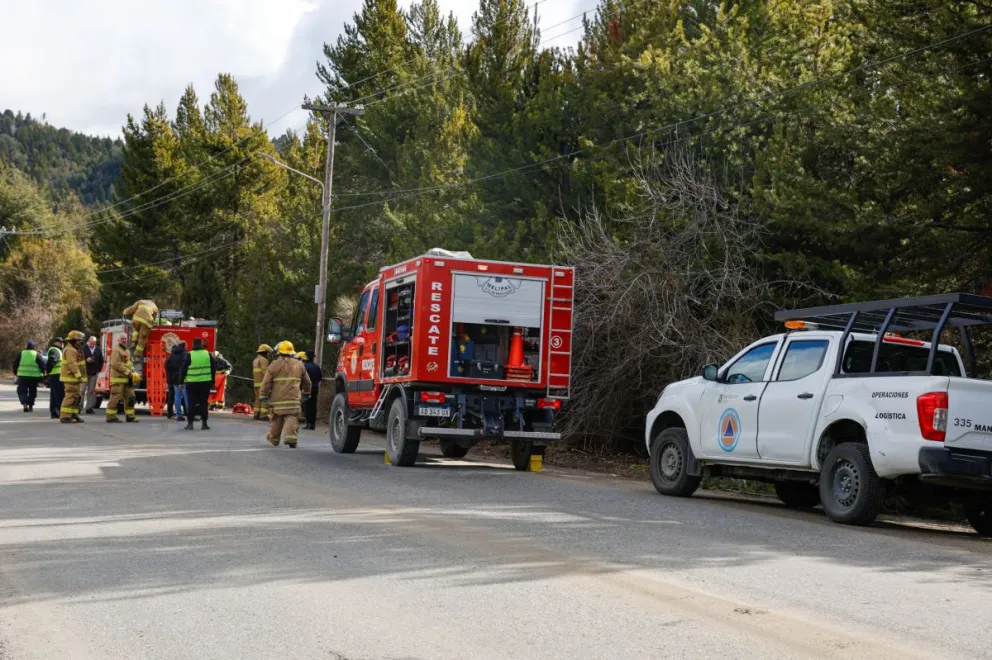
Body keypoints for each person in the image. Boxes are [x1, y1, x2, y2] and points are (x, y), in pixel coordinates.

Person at [260, 340, 311, 448]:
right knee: (292, 416)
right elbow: (307, 381)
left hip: (277, 399)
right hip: (293, 398)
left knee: (276, 418)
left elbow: (266, 382)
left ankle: (274, 438)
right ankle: (291, 437)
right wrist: (306, 392)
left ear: (279, 351)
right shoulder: (299, 364)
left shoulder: (274, 365)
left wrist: (263, 394)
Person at [182, 337, 215, 431]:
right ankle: (204, 423)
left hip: (191, 383)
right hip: (205, 383)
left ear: (193, 344)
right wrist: (213, 381)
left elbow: (184, 369)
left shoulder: (190, 355)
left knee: (191, 403)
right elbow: (213, 368)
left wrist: (181, 381)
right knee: (203, 403)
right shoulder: (207, 354)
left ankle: (190, 424)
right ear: (201, 344)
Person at [105, 335, 139, 423]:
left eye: (125, 339)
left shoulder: (126, 350)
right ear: (118, 340)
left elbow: (128, 364)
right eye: (122, 339)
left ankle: (130, 416)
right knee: (115, 398)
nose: (124, 340)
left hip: (127, 380)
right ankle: (110, 417)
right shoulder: (116, 350)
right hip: (118, 379)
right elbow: (116, 364)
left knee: (131, 397)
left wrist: (132, 372)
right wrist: (128, 372)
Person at [59, 331, 86, 423]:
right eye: (78, 340)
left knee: (76, 397)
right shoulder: (70, 350)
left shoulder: (75, 349)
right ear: (73, 340)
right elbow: (72, 364)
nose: (80, 342)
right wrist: (79, 376)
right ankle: (65, 416)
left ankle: (73, 415)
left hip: (74, 378)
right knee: (70, 397)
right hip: (70, 377)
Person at [13, 340, 45, 413]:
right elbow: (42, 365)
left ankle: (24, 403)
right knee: (32, 391)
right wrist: (43, 374)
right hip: (33, 377)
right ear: (34, 347)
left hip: (22, 376)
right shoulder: (36, 354)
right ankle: (30, 405)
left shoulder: (21, 353)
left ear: (26, 346)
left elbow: (15, 364)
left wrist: (15, 372)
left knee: (22, 390)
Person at [165, 342, 189, 421]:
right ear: (184, 346)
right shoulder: (185, 355)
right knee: (186, 396)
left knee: (177, 397)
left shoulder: (171, 356)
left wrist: (170, 376)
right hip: (183, 378)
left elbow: (166, 366)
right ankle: (189, 414)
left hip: (173, 379)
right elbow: (186, 367)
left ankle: (178, 415)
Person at [82, 335, 104, 414]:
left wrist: (99, 370)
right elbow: (78, 359)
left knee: (91, 391)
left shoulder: (98, 349)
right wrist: (86, 360)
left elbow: (101, 360)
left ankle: (89, 407)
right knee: (82, 390)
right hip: (84, 373)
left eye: (94, 343)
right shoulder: (83, 348)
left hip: (94, 373)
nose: (92, 345)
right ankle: (79, 407)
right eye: (91, 343)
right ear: (88, 341)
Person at [302, 350, 323, 431]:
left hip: (307, 389)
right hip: (315, 388)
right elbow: (320, 378)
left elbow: (303, 378)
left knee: (307, 405)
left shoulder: (305, 366)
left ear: (306, 356)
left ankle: (308, 424)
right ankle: (312, 424)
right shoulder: (317, 367)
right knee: (313, 406)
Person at [46, 338, 65, 419]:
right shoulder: (55, 350)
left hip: (57, 375)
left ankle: (56, 412)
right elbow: (52, 361)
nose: (62, 344)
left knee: (57, 394)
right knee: (57, 395)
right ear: (55, 342)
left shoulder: (58, 350)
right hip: (56, 375)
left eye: (62, 342)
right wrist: (48, 371)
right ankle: (55, 412)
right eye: (60, 342)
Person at [252, 344, 272, 420]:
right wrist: (269, 382)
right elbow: (265, 372)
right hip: (263, 383)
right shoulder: (263, 360)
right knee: (264, 398)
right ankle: (263, 415)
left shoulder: (255, 360)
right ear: (264, 352)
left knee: (257, 399)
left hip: (256, 383)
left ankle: (256, 414)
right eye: (267, 353)